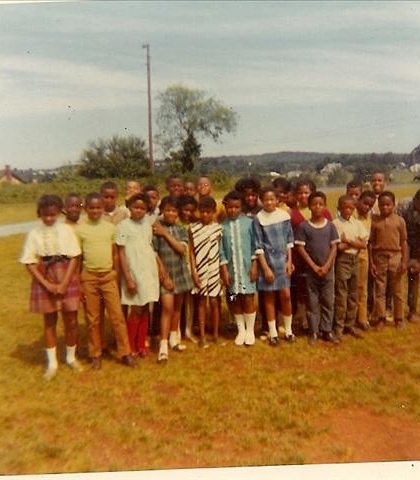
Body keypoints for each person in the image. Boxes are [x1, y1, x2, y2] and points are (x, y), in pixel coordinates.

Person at [20, 194, 82, 379]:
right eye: (45, 215)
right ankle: (52, 363)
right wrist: (46, 284)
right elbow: (29, 262)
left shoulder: (66, 230)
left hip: (66, 275)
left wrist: (64, 283)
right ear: (39, 214)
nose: (48, 219)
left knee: (71, 320)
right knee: (49, 322)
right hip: (45, 275)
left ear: (59, 212)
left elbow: (75, 257)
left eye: (52, 215)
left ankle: (71, 358)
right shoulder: (34, 233)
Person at [75, 192, 136, 370]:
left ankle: (125, 352)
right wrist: (79, 280)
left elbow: (115, 252)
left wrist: (115, 272)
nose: (95, 211)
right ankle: (95, 354)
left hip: (108, 276)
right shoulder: (81, 229)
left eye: (98, 207)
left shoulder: (110, 227)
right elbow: (79, 257)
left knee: (117, 316)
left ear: (103, 208)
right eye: (91, 208)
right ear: (86, 209)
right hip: (89, 278)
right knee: (93, 318)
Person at [116, 193, 160, 357]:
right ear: (129, 207)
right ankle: (131, 345)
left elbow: (148, 248)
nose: (139, 211)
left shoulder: (147, 224)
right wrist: (128, 278)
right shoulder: (123, 226)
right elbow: (121, 253)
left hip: (148, 270)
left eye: (142, 208)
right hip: (133, 272)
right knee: (135, 309)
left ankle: (142, 344)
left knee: (145, 308)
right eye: (136, 207)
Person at [295, 191, 340, 345]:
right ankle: (313, 331)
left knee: (328, 301)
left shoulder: (330, 226)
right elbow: (301, 249)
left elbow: (334, 247)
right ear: (309, 206)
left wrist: (326, 266)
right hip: (311, 272)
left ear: (325, 206)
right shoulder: (304, 227)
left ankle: (327, 330)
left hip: (328, 271)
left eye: (320, 204)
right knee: (312, 302)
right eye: (314, 204)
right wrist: (314, 266)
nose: (317, 207)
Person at [153, 195, 194, 362]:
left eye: (174, 210)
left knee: (178, 308)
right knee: (167, 308)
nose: (170, 213)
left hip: (180, 271)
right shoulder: (155, 228)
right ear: (162, 210)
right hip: (165, 274)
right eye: (167, 210)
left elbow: (181, 249)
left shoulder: (181, 229)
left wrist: (166, 234)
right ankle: (163, 347)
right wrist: (163, 275)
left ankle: (173, 339)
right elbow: (154, 253)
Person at [253, 186, 295, 346]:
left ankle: (289, 330)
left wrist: (289, 261)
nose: (269, 202)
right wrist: (265, 268)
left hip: (282, 262)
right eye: (266, 200)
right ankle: (273, 332)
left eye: (272, 199)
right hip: (268, 263)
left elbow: (289, 240)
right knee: (269, 297)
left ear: (277, 200)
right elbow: (258, 245)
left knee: (286, 295)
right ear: (261, 201)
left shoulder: (284, 216)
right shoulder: (259, 219)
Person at [220, 191, 258, 346]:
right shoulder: (222, 226)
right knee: (233, 298)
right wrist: (223, 270)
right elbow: (221, 249)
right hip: (231, 270)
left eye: (236, 207)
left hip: (246, 269)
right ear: (226, 207)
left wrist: (255, 266)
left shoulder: (249, 223)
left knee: (248, 298)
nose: (233, 210)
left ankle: (250, 331)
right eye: (230, 207)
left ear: (241, 207)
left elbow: (256, 245)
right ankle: (240, 330)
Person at [369, 191, 408, 329]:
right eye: (382, 205)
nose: (385, 208)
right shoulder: (375, 221)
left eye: (388, 205)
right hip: (380, 257)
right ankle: (381, 318)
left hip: (395, 257)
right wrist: (372, 262)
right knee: (379, 290)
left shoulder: (400, 221)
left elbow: (403, 242)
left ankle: (399, 318)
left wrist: (404, 262)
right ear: (378, 206)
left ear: (394, 205)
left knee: (397, 289)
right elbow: (371, 244)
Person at [332, 195, 368, 340]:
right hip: (342, 260)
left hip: (355, 259)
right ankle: (339, 327)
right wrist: (354, 242)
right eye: (345, 207)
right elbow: (339, 246)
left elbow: (364, 244)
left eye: (351, 208)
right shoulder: (335, 224)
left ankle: (350, 324)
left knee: (353, 294)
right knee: (341, 294)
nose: (348, 210)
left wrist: (348, 240)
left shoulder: (357, 223)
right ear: (339, 208)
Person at [190, 196, 223, 347]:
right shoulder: (193, 228)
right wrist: (194, 272)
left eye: (208, 212)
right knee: (202, 301)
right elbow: (191, 252)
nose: (205, 215)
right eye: (202, 212)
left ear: (214, 212)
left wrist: (222, 272)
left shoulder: (218, 228)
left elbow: (221, 251)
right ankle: (202, 336)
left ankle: (215, 334)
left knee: (215, 301)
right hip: (200, 269)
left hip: (215, 268)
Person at [354, 190, 376, 330]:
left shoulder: (369, 218)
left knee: (362, 287)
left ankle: (362, 318)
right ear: (358, 201)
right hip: (349, 255)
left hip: (363, 256)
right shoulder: (351, 215)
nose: (367, 207)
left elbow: (368, 241)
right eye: (365, 203)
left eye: (370, 205)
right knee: (350, 289)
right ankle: (349, 319)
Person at [400, 189, 420, 323]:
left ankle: (413, 311)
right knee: (406, 277)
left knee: (415, 272)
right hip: (404, 243)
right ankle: (408, 311)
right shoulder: (404, 205)